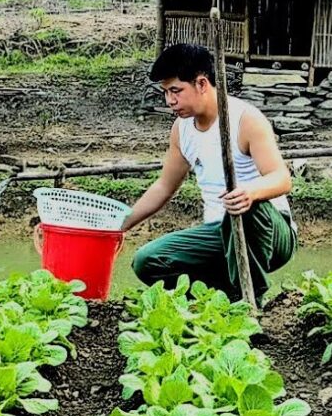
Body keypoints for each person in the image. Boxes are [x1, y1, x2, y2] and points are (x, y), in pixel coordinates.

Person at [121, 43, 297, 301]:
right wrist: (119, 227)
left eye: (175, 91)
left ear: (202, 83)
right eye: (165, 92)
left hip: (270, 232)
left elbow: (281, 179)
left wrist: (250, 192)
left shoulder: (245, 120)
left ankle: (250, 301)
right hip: (219, 234)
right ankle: (217, 297)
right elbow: (163, 187)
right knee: (147, 261)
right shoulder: (182, 130)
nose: (169, 101)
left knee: (246, 206)